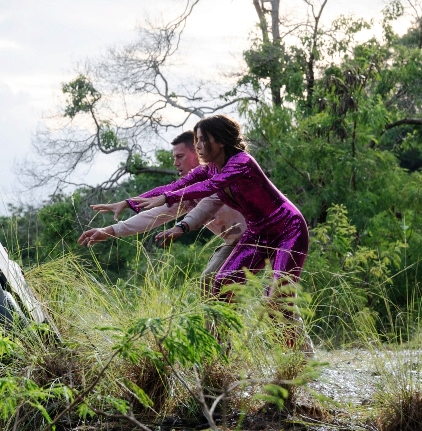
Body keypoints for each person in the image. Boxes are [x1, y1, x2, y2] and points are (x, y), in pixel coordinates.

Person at [129, 115, 310, 348]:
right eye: (197, 140)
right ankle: (220, 352)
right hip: (257, 233)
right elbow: (175, 186)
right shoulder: (210, 169)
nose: (199, 146)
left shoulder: (241, 162)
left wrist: (167, 199)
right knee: (221, 285)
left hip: (288, 229)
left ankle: (297, 360)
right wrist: (128, 203)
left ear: (221, 141)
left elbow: (208, 187)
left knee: (276, 299)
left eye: (203, 140)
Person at [77, 131, 248, 295]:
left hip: (261, 234)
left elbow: (208, 204)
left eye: (180, 156)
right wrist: (109, 230)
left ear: (199, 153)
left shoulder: (221, 176)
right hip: (236, 243)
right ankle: (219, 324)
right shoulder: (185, 194)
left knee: (264, 290)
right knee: (208, 282)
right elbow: (153, 215)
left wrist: (180, 227)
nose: (175, 163)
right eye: (174, 157)